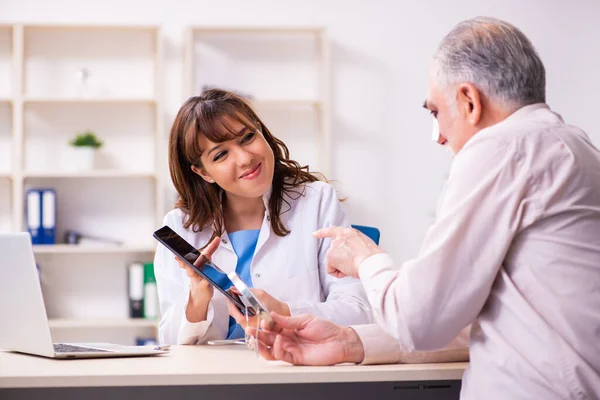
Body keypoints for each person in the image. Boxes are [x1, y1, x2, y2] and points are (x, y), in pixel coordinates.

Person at [251, 17, 600, 399]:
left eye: (435, 112)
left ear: (469, 101)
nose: (439, 137)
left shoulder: (502, 149)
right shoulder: (572, 148)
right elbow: (486, 317)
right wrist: (352, 342)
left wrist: (366, 258)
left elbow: (420, 320)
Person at [154, 89, 372, 345]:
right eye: (221, 154)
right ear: (203, 173)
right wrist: (198, 299)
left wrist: (284, 312)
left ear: (261, 132)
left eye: (247, 137)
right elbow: (169, 343)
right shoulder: (180, 227)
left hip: (296, 371)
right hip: (213, 377)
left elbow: (360, 312)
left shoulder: (316, 202)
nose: (245, 158)